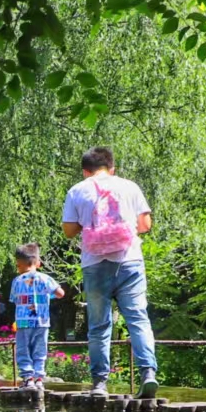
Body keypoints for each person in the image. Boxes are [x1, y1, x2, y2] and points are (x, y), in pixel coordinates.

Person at [62, 147, 159, 399]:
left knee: (98, 326)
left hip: (94, 264)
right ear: (112, 168)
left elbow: (69, 231)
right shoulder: (130, 186)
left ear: (85, 171)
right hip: (129, 261)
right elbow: (145, 225)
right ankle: (148, 373)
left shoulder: (77, 190)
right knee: (138, 319)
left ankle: (99, 384)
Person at [9, 243, 65, 393]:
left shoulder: (17, 281)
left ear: (19, 264)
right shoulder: (45, 278)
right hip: (42, 322)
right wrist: (47, 294)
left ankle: (28, 379)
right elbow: (61, 293)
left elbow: (15, 300)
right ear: (38, 263)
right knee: (40, 350)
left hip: (23, 323)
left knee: (23, 350)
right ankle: (39, 379)